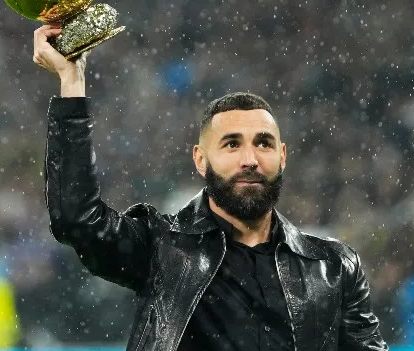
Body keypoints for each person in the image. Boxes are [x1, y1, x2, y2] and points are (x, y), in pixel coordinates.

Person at [33, 24, 389, 351]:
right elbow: (77, 218)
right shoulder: (162, 247)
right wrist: (72, 82)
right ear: (200, 160)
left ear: (282, 157)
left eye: (263, 144)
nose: (250, 159)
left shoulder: (334, 267)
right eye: (232, 144)